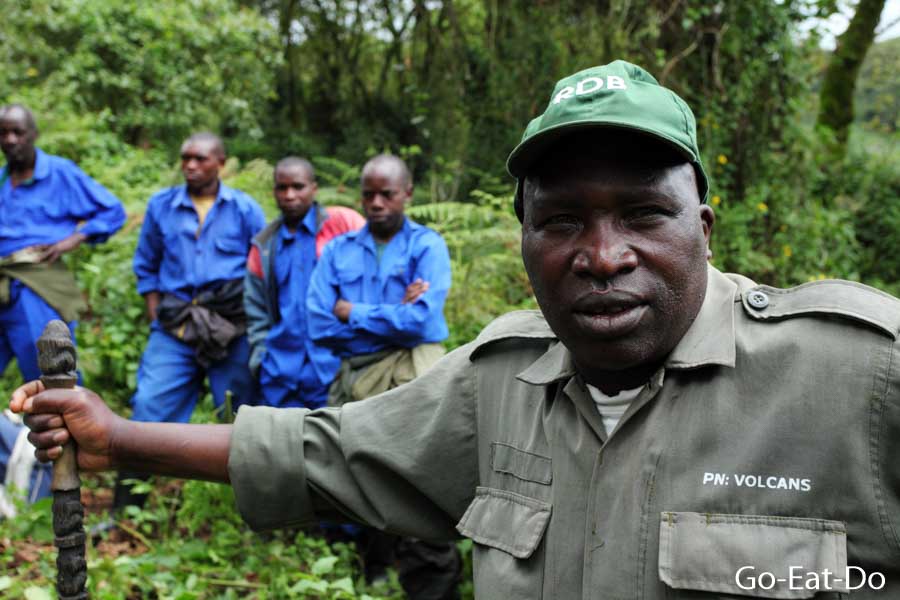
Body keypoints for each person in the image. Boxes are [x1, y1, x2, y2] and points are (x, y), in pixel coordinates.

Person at [12, 60, 900, 599]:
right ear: (524, 240)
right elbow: (326, 453)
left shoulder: (857, 378)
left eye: (642, 215)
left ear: (703, 229)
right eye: (561, 222)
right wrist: (116, 438)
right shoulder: (502, 384)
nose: (602, 255)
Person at [306, 154, 458, 598]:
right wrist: (397, 314)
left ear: (407, 194)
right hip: (357, 379)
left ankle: (433, 584)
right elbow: (318, 324)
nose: (375, 202)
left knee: (422, 475)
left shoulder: (427, 246)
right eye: (368, 194)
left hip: (415, 373)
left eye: (386, 194)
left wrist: (352, 310)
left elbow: (423, 322)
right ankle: (374, 567)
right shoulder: (337, 250)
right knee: (364, 470)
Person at [122, 132, 265, 507]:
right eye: (185, 158)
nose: (190, 165)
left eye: (200, 159)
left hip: (231, 326)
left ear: (220, 162)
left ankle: (246, 512)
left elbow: (262, 269)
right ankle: (127, 508)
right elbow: (146, 265)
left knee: (240, 416)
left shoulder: (244, 209)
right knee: (148, 409)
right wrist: (156, 313)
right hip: (176, 324)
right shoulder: (161, 207)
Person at [0, 104, 125, 382]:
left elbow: (113, 211)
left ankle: (72, 424)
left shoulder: (59, 173)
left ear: (33, 134)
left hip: (39, 285)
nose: (10, 140)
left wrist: (71, 240)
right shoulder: (3, 179)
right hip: (3, 283)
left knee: (50, 369)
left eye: (17, 132)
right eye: (3, 133)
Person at [244, 157, 364, 409]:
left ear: (313, 188)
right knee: (279, 444)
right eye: (282, 188)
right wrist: (262, 359)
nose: (289, 195)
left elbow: (375, 269)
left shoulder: (342, 225)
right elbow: (256, 310)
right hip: (280, 371)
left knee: (332, 444)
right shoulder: (263, 245)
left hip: (333, 368)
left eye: (298, 187)